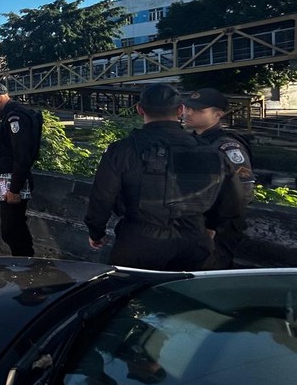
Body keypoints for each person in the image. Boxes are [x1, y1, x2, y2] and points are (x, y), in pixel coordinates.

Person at [84, 84, 228, 271]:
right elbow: (229, 196)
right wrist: (210, 227)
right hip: (194, 240)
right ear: (180, 110)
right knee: (188, 297)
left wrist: (96, 232)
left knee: (131, 295)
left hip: (139, 241)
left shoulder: (123, 150)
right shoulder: (208, 150)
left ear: (139, 109)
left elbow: (102, 196)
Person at [183, 88, 255, 269]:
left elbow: (244, 190)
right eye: (187, 107)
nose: (189, 112)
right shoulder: (187, 143)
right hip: (190, 226)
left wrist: (214, 225)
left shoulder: (227, 146)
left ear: (218, 114)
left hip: (217, 231)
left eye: (198, 110)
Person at [0, 81, 39, 257]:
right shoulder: (4, 116)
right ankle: (23, 263)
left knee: (13, 230)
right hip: (4, 181)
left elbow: (21, 156)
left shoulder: (15, 117)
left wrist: (14, 189)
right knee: (12, 229)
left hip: (12, 183)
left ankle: (26, 267)